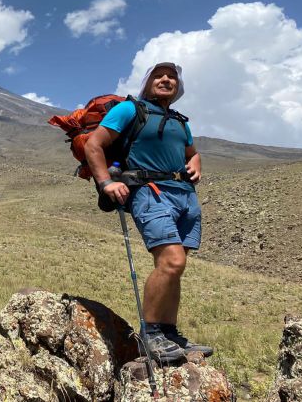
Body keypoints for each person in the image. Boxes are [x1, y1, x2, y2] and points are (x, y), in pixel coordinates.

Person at [84, 62, 213, 362]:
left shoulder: (180, 121)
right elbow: (94, 145)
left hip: (184, 197)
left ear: (178, 87)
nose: (166, 79)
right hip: (150, 193)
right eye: (158, 75)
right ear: (147, 83)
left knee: (174, 269)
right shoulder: (131, 110)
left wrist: (197, 162)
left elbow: (191, 153)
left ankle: (170, 333)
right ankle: (151, 334)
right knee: (172, 260)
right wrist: (105, 183)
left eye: (172, 77)